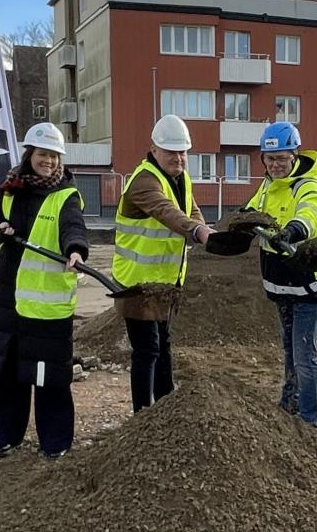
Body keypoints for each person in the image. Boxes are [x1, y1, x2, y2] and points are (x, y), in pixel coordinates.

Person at [0, 122, 89, 460]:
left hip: (45, 306)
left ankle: (55, 444)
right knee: (5, 373)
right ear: (30, 155)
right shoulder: (10, 188)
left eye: (54, 156)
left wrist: (76, 251)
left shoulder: (65, 195)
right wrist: (0, 228)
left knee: (48, 376)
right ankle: (4, 436)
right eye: (43, 155)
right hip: (9, 297)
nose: (49, 161)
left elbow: (74, 228)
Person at [112, 114, 214, 413]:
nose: (178, 158)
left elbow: (191, 211)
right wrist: (196, 231)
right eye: (172, 151)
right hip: (138, 282)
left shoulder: (181, 179)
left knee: (164, 344)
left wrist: (204, 229)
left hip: (166, 281)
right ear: (154, 149)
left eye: (183, 152)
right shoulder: (143, 181)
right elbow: (165, 211)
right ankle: (143, 415)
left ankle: (166, 410)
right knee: (147, 350)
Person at [243, 121, 317, 428]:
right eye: (270, 159)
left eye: (282, 158)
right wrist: (240, 224)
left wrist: (292, 232)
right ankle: (289, 401)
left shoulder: (307, 185)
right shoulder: (268, 185)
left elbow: (310, 214)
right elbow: (253, 210)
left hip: (309, 285)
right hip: (282, 284)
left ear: (295, 154)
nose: (276, 164)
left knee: (305, 353)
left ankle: (309, 419)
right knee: (288, 348)